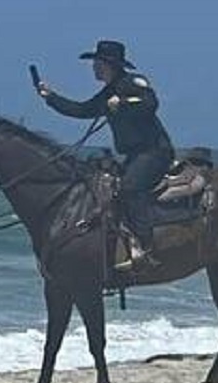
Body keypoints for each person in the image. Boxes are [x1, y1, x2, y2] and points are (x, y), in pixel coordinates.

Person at [37, 40, 174, 266]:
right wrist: (50, 97)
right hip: (134, 155)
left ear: (109, 65)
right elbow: (82, 110)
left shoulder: (133, 82)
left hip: (154, 153)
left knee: (129, 188)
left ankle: (145, 249)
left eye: (97, 63)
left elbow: (150, 103)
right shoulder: (107, 92)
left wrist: (122, 102)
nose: (94, 68)